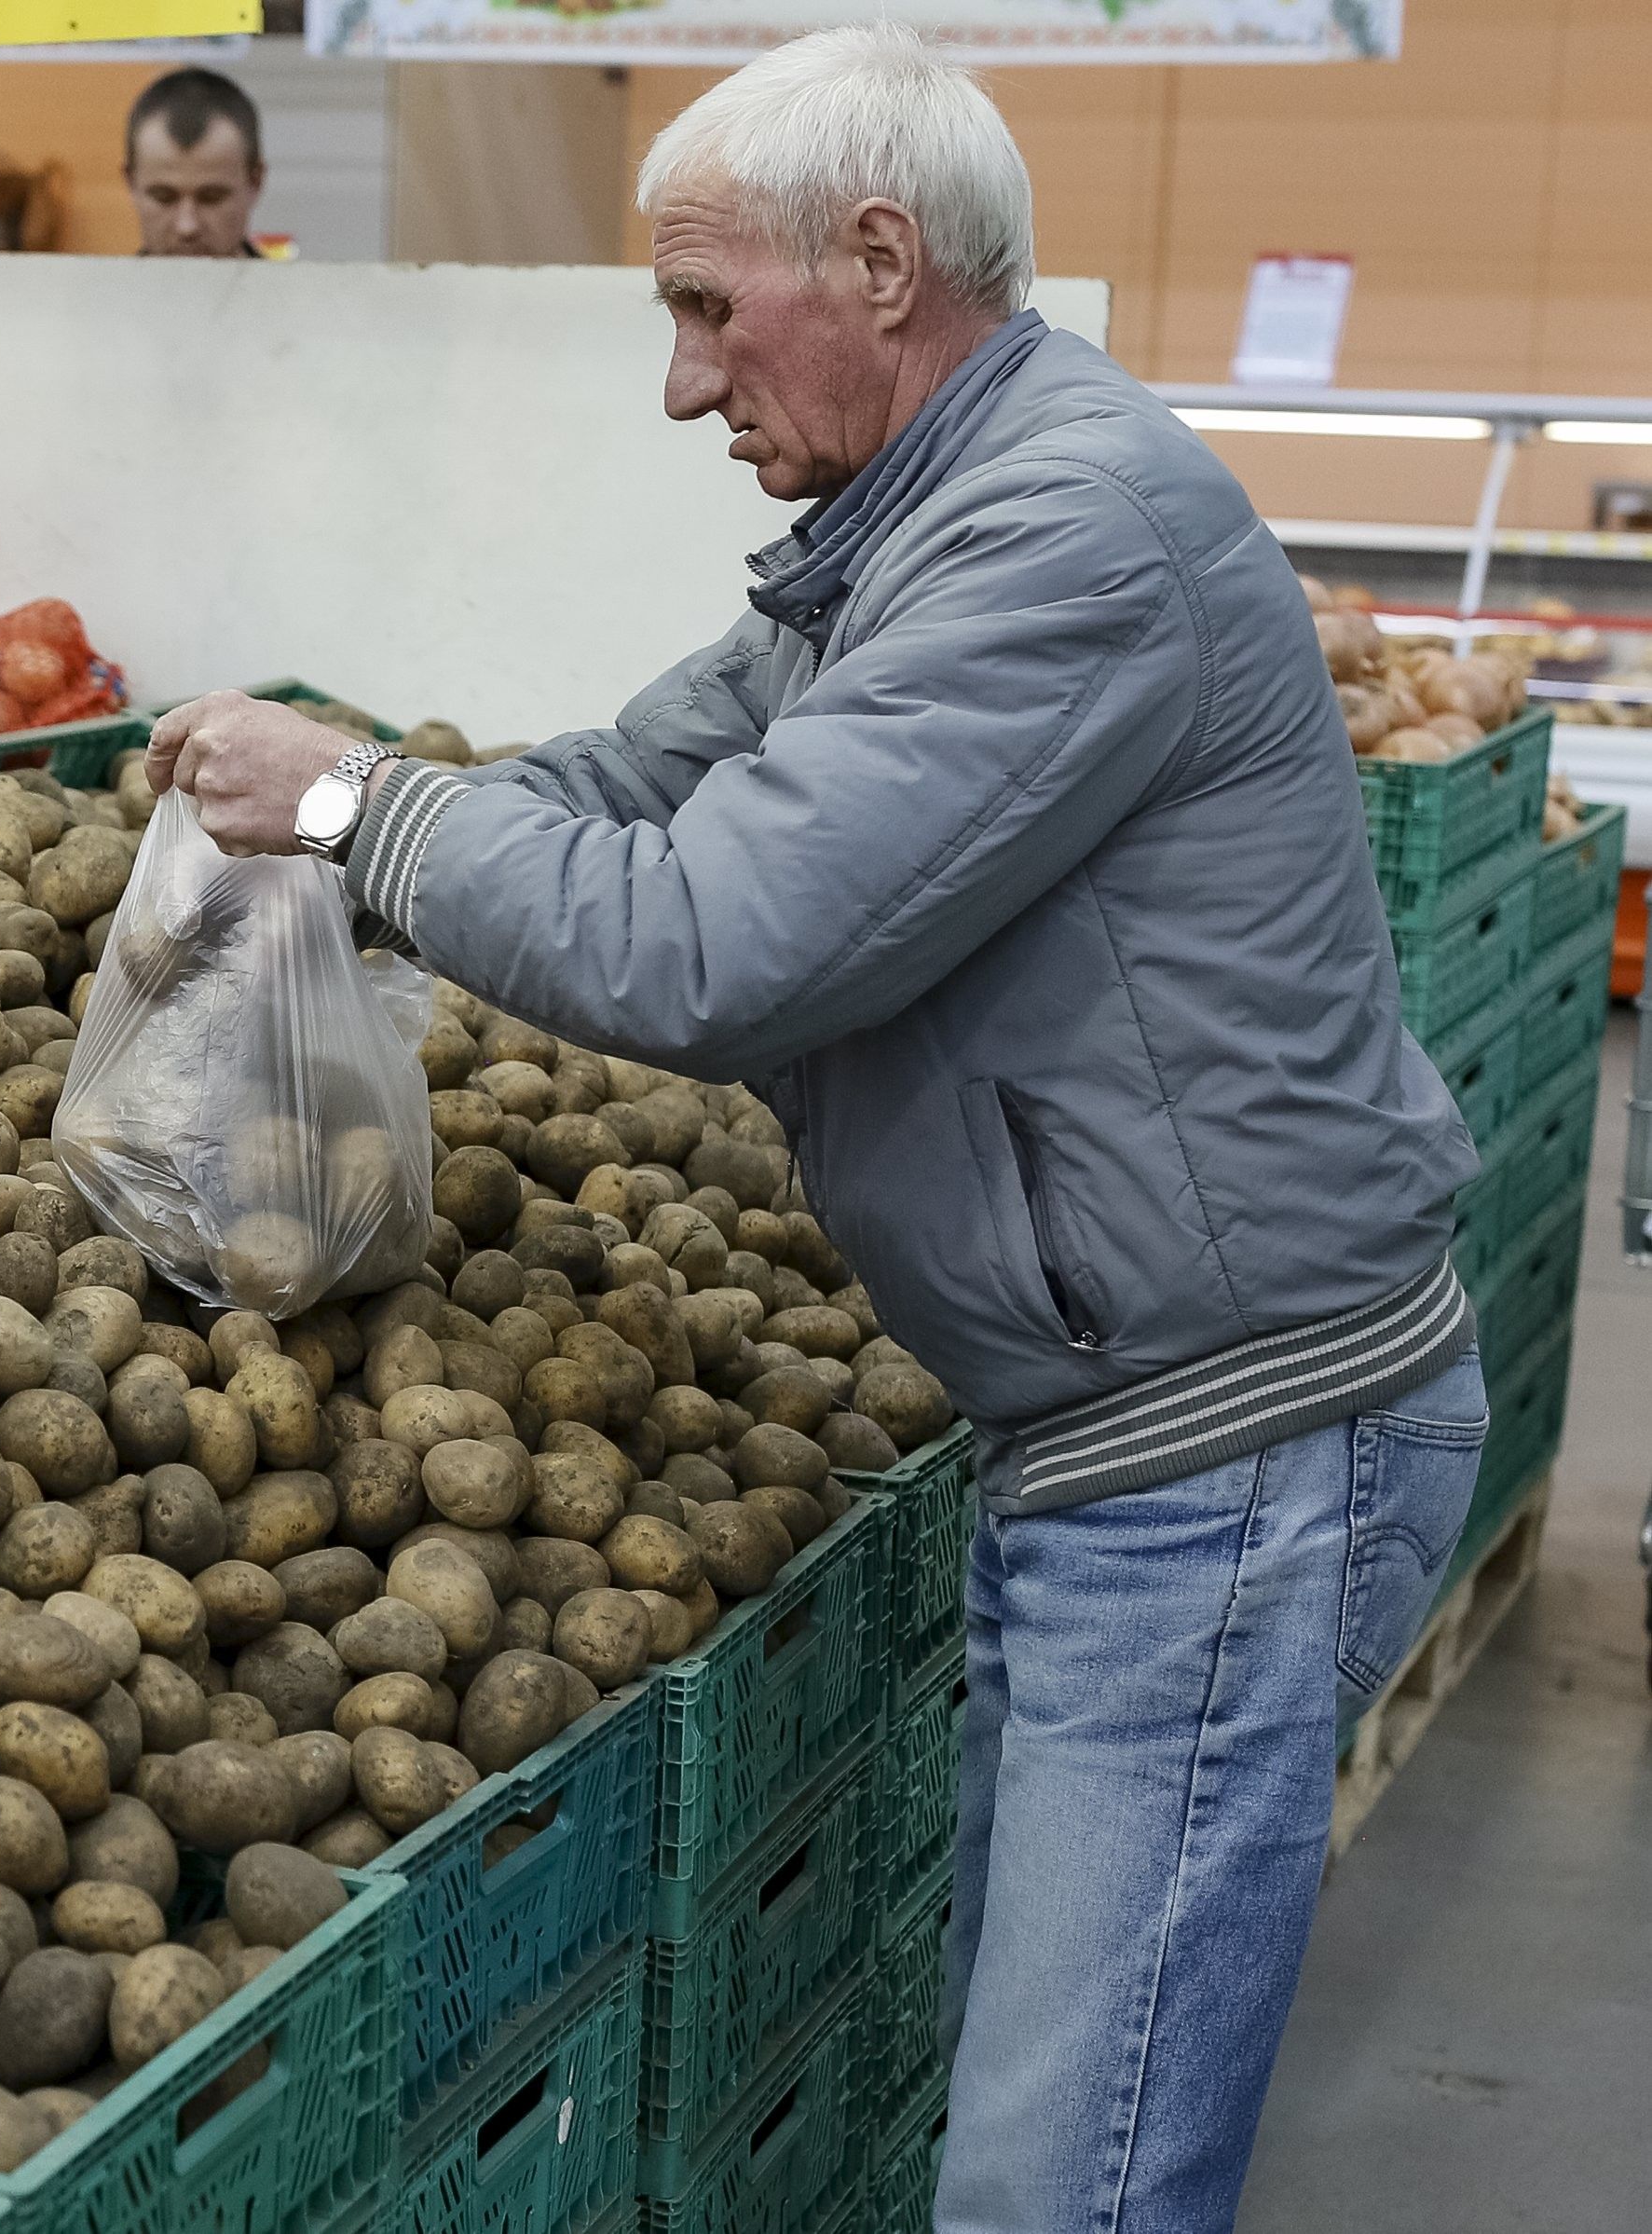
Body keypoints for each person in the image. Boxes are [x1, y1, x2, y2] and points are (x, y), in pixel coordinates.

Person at [149, 28, 1481, 2234]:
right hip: (1123, 1441)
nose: (683, 388)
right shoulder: (904, 535)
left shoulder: (1061, 535)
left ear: (878, 262)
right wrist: (316, 835)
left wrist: (353, 807)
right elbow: (616, 784)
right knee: (1046, 2136)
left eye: (704, 310)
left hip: (1230, 1466)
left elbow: (709, 942)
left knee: (1071, 2188)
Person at [126, 68, 264, 258]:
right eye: (164, 197)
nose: (187, 227)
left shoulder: (303, 289)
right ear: (131, 183)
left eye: (212, 197)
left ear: (255, 182)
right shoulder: (97, 289)